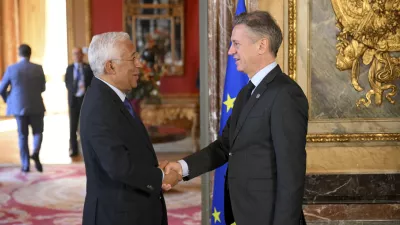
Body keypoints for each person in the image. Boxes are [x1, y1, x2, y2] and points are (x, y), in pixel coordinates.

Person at [165, 11, 309, 225]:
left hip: (268, 217)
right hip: (244, 214)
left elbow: (291, 173)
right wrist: (182, 167)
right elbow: (225, 146)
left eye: (236, 44)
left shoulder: (285, 94)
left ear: (261, 45)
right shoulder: (246, 93)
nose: (231, 51)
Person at [80, 32, 181, 225]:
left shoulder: (110, 98)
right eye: (133, 58)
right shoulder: (100, 106)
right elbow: (118, 167)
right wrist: (160, 176)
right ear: (111, 66)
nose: (139, 64)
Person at [0, 44, 46, 173]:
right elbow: (43, 88)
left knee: (22, 136)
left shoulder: (12, 69)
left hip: (18, 106)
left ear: (19, 54)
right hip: (37, 105)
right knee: (38, 132)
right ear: (30, 54)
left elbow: (1, 89)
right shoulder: (38, 68)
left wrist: (8, 99)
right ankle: (35, 152)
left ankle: (25, 165)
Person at [65, 47, 94, 157]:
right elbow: (67, 83)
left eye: (78, 53)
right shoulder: (70, 68)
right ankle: (73, 149)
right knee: (73, 126)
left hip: (85, 100)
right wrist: (73, 90)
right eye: (75, 54)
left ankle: (87, 149)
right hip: (73, 100)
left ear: (82, 55)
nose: (77, 56)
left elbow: (92, 83)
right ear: (72, 56)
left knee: (85, 125)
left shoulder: (88, 68)